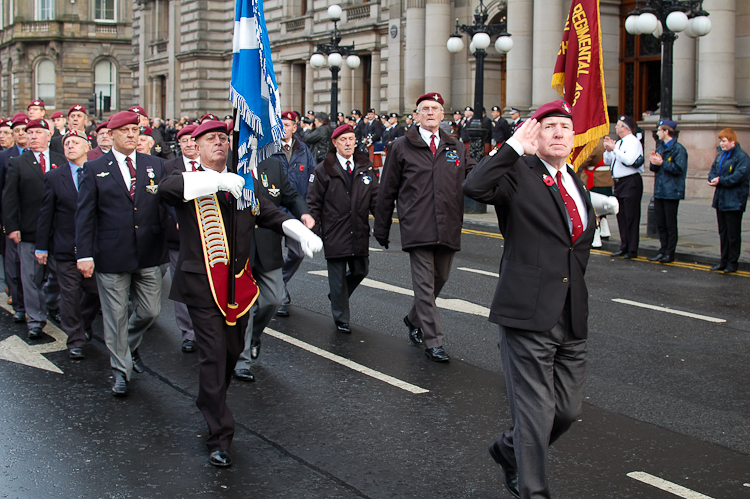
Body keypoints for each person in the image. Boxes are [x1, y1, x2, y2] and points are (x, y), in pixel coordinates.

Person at [160, 119, 321, 467]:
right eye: (210, 139)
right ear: (196, 146)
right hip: (202, 287)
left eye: (223, 137)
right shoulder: (188, 180)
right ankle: (219, 434)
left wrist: (298, 231)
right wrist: (217, 180)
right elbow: (167, 190)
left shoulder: (245, 183)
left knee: (231, 353)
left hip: (238, 287)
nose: (218, 142)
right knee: (214, 356)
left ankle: (210, 396)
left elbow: (272, 213)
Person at [463, 100, 595, 499]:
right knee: (535, 413)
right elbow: (474, 187)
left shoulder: (576, 181)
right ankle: (534, 492)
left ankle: (508, 450)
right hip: (526, 311)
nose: (558, 133)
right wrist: (512, 148)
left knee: (566, 411)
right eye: (549, 126)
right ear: (534, 135)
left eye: (565, 128)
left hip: (571, 314)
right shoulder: (517, 173)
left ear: (574, 138)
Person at [75, 110, 170, 397]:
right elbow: (85, 215)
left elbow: (168, 203)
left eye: (135, 130)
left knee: (150, 311)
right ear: (111, 134)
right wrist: (84, 254)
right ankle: (120, 371)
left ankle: (126, 348)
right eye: (126, 130)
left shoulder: (156, 165)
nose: (132, 135)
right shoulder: (94, 168)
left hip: (149, 252)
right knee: (115, 316)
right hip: (111, 254)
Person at [374, 92, 474, 362]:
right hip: (417, 226)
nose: (430, 113)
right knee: (424, 286)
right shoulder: (401, 146)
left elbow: (477, 177)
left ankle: (412, 318)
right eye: (425, 109)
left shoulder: (456, 147)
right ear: (416, 116)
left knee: (440, 278)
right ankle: (434, 341)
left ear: (443, 116)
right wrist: (381, 229)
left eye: (435, 109)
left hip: (448, 224)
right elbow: (387, 190)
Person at [233, 154, 313, 380]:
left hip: (268, 245)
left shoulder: (273, 166)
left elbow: (289, 195)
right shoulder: (229, 163)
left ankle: (254, 336)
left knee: (274, 299)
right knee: (244, 308)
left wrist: (303, 212)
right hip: (241, 248)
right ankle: (242, 361)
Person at [307, 124, 379, 333]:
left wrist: (381, 223)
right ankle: (341, 319)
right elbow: (313, 203)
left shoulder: (365, 166)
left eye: (351, 139)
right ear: (335, 143)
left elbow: (375, 197)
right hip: (334, 230)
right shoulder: (322, 169)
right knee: (337, 277)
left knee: (361, 269)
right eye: (343, 140)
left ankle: (338, 295)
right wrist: (314, 232)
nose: (348, 143)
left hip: (358, 229)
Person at [35, 130, 100, 359]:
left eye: (75, 142)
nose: (70, 146)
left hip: (94, 248)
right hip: (65, 247)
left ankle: (83, 323)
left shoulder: (98, 172)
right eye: (67, 143)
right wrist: (41, 247)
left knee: (95, 292)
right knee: (69, 294)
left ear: (87, 146)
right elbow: (46, 214)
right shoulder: (55, 177)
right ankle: (75, 339)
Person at [2, 119, 66, 340]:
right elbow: (10, 198)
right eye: (30, 133)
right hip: (29, 230)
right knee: (30, 277)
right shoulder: (18, 162)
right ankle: (36, 320)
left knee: (59, 275)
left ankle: (51, 305)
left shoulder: (60, 160)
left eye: (39, 132)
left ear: (49, 136)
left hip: (58, 231)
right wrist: (12, 227)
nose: (33, 136)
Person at [270, 111, 316, 318]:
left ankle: (279, 283)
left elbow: (312, 177)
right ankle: (279, 296)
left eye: (287, 125)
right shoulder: (268, 149)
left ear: (294, 127)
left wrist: (308, 208)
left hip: (295, 211)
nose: (283, 128)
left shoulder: (303, 149)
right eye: (280, 124)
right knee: (270, 255)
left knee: (297, 253)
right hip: (271, 210)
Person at [163, 124, 200, 353]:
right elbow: (164, 196)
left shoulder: (210, 166)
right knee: (182, 282)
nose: (188, 144)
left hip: (209, 236)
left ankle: (206, 327)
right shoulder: (168, 166)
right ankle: (188, 332)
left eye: (192, 140)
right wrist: (176, 216)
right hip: (178, 236)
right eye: (183, 141)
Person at [707, 128, 750, 273]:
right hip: (721, 200)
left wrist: (720, 180)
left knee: (733, 234)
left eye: (724, 141)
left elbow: (738, 177)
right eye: (720, 141)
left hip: (734, 201)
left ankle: (732, 262)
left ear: (733, 141)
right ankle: (723, 261)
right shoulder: (721, 156)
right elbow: (713, 170)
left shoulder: (742, 157)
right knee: (723, 233)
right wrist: (712, 178)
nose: (722, 143)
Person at [647, 119, 688, 264]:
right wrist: (654, 162)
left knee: (670, 224)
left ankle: (669, 252)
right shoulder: (661, 147)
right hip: (660, 190)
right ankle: (663, 250)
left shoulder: (679, 149)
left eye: (659, 130)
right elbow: (654, 168)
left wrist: (663, 163)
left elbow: (679, 169)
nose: (657, 133)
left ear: (666, 131)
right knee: (661, 224)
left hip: (672, 191)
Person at [0, 114, 29, 322]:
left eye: (24, 130)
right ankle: (18, 302)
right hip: (12, 217)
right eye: (16, 130)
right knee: (13, 262)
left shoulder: (43, 156)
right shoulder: (5, 157)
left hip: (36, 219)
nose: (21, 134)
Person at [603, 115, 644, 259]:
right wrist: (608, 150)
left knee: (631, 216)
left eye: (618, 125)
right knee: (621, 216)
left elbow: (629, 160)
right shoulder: (620, 143)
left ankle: (632, 249)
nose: (616, 127)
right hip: (619, 182)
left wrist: (615, 149)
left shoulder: (633, 142)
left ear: (625, 127)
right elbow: (608, 161)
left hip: (630, 181)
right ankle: (624, 246)